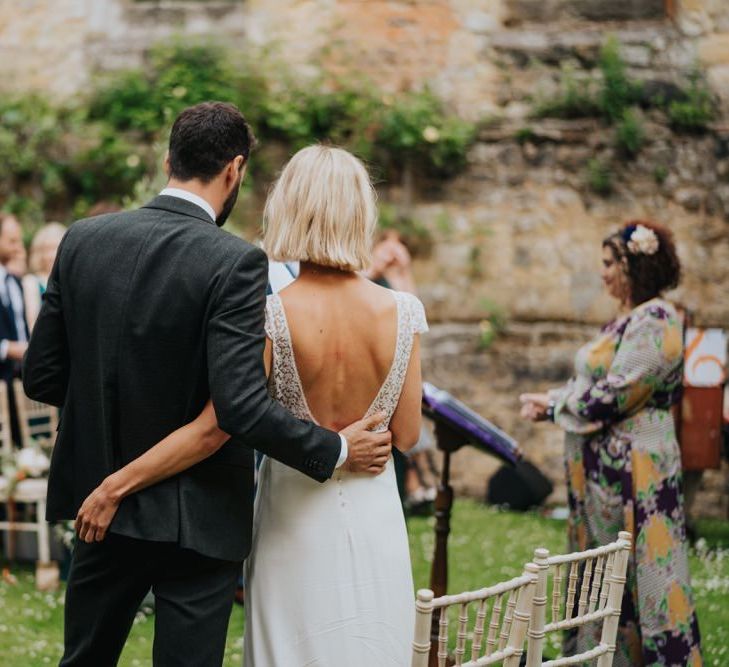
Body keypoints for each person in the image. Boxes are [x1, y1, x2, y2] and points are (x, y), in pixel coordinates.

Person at [23, 102, 391, 667]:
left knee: (84, 660)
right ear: (234, 171)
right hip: (197, 520)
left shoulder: (82, 240)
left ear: (169, 160)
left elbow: (42, 375)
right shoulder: (235, 262)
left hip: (103, 505)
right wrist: (337, 447)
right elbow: (239, 408)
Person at [520, 221, 702, 666]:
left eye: (608, 263)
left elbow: (620, 392)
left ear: (633, 266)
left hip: (637, 474)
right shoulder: (622, 320)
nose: (600, 273)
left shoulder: (658, 319)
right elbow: (595, 383)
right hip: (603, 478)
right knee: (603, 574)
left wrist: (556, 407)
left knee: (642, 575)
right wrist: (557, 398)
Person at [0, 213, 30, 446]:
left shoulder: (14, 281)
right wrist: (9, 348)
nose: (19, 247)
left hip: (21, 378)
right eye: (12, 241)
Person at [22, 222, 67, 332]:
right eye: (47, 249)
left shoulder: (69, 280)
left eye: (56, 248)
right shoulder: (31, 282)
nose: (52, 255)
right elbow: (32, 324)